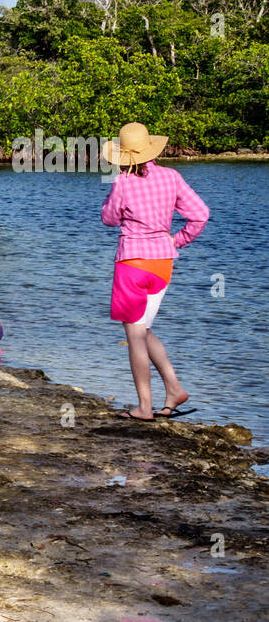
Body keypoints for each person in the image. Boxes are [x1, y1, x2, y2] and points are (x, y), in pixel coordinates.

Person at [101, 122, 209, 420]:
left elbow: (109, 219)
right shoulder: (171, 177)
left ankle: (144, 407)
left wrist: (116, 189)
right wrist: (178, 240)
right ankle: (174, 388)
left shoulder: (122, 181)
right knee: (143, 330)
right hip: (163, 263)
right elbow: (201, 215)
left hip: (132, 264)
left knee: (134, 336)